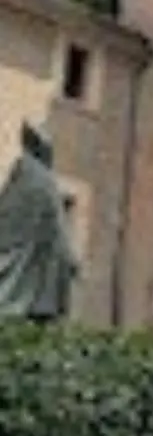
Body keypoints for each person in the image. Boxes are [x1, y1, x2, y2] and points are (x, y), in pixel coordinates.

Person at [0, 123, 79, 322]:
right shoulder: (43, 181)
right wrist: (71, 260)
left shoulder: (20, 177)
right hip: (36, 274)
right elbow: (58, 226)